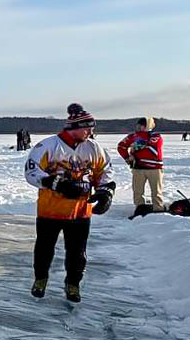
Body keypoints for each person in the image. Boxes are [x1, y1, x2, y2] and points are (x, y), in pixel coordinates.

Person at [24, 103, 115, 303]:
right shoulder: (48, 146)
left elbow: (105, 171)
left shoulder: (94, 147)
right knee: (44, 249)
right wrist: (55, 183)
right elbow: (31, 171)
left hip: (80, 212)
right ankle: (41, 279)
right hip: (50, 211)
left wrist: (106, 192)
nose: (91, 132)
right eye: (87, 128)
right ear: (74, 127)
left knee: (77, 253)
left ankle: (73, 283)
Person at [118, 116, 164, 212]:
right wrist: (127, 158)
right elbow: (121, 146)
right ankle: (140, 208)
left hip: (154, 168)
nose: (139, 127)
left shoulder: (155, 135)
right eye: (138, 125)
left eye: (142, 125)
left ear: (148, 126)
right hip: (138, 168)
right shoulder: (132, 136)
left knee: (156, 192)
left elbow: (151, 146)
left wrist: (136, 146)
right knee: (138, 191)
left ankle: (158, 209)